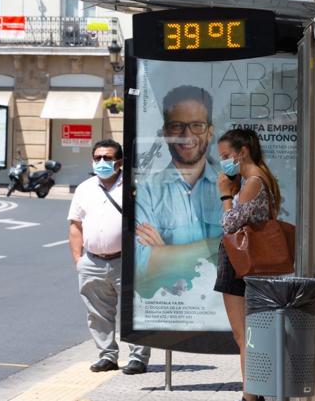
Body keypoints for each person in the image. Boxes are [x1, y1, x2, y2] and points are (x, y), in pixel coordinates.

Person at [67, 139, 151, 375]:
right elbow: (75, 225)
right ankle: (107, 355)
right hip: (93, 260)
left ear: (120, 161)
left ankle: (138, 358)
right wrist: (79, 260)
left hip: (127, 260)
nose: (102, 162)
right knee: (97, 312)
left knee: (135, 310)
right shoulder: (85, 188)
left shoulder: (134, 187)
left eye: (108, 158)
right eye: (98, 158)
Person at [135, 86, 223, 294]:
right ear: (165, 132)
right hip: (169, 308)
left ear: (210, 132)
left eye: (197, 125)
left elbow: (244, 254)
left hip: (222, 308)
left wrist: (163, 253)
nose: (187, 135)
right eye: (177, 126)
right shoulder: (147, 191)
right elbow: (141, 266)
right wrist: (219, 244)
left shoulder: (232, 186)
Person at [215, 128, 282, 401]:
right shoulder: (261, 177)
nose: (223, 162)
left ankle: (250, 396)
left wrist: (224, 195)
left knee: (244, 336)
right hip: (247, 263)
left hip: (239, 263)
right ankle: (255, 393)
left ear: (242, 153)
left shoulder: (253, 180)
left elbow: (230, 224)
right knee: (249, 334)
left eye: (226, 156)